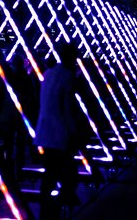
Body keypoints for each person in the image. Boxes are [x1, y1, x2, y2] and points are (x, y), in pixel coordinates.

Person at [34, 41, 88, 220]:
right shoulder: (68, 77)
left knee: (50, 172)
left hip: (45, 131)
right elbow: (68, 108)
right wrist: (74, 133)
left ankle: (47, 207)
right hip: (60, 133)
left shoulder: (49, 73)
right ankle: (61, 202)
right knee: (68, 171)